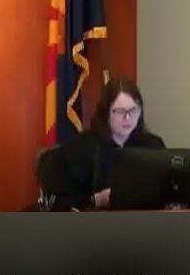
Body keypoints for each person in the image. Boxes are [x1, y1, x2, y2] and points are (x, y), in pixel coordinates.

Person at [55, 77, 166, 209]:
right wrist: (96, 200)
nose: (128, 118)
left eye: (133, 110)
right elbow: (61, 203)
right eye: (120, 111)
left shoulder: (153, 145)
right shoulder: (80, 148)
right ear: (105, 112)